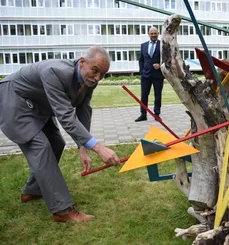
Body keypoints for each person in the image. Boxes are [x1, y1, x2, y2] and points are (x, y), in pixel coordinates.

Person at [0, 46, 120, 222]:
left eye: (102, 74)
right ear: (82, 62)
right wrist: (99, 148)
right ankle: (62, 211)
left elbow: (83, 110)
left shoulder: (88, 81)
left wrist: (82, 148)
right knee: (41, 147)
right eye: (95, 71)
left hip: (37, 106)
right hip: (13, 101)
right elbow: (66, 117)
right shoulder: (55, 72)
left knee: (57, 143)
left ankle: (33, 191)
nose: (97, 78)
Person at [135, 27, 164, 122]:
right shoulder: (143, 45)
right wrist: (142, 72)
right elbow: (141, 60)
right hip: (145, 76)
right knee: (144, 96)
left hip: (158, 75)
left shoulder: (162, 45)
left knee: (158, 95)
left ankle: (157, 114)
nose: (153, 35)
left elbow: (168, 59)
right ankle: (143, 114)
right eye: (151, 33)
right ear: (148, 34)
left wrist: (160, 65)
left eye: (155, 33)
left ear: (158, 33)